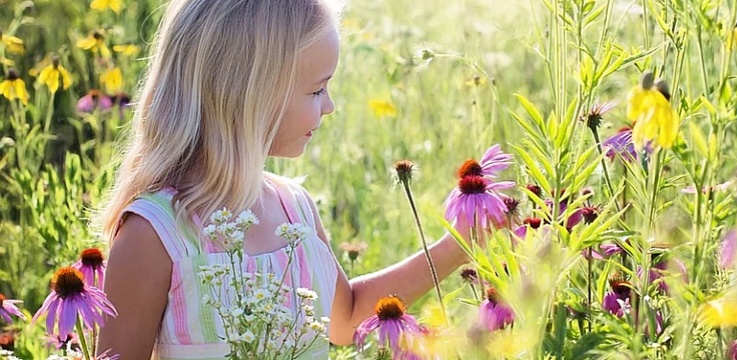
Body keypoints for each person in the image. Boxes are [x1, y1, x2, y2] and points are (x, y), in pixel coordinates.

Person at [94, 0, 470, 358]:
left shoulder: (295, 210)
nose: (329, 105)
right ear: (249, 94)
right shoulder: (156, 234)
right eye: (317, 90)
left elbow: (347, 319)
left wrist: (459, 243)